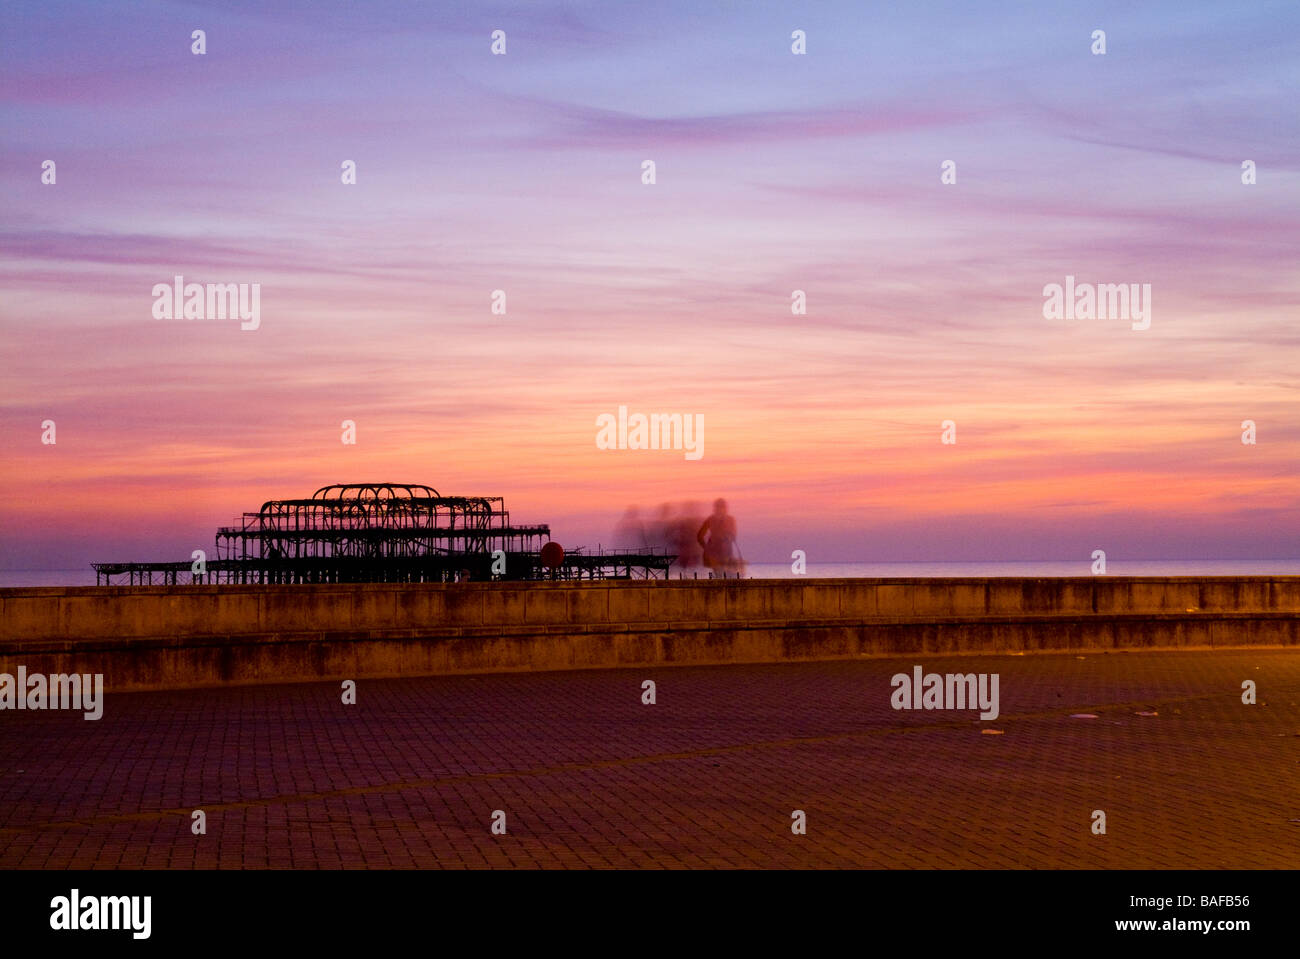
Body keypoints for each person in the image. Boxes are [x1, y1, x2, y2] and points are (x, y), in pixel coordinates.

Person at [696, 498, 743, 576]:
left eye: (722, 507)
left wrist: (727, 537)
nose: (721, 509)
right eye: (719, 507)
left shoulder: (730, 519)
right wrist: (707, 548)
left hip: (726, 553)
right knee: (719, 575)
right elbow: (699, 536)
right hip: (715, 554)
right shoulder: (710, 519)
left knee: (726, 575)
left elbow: (733, 536)